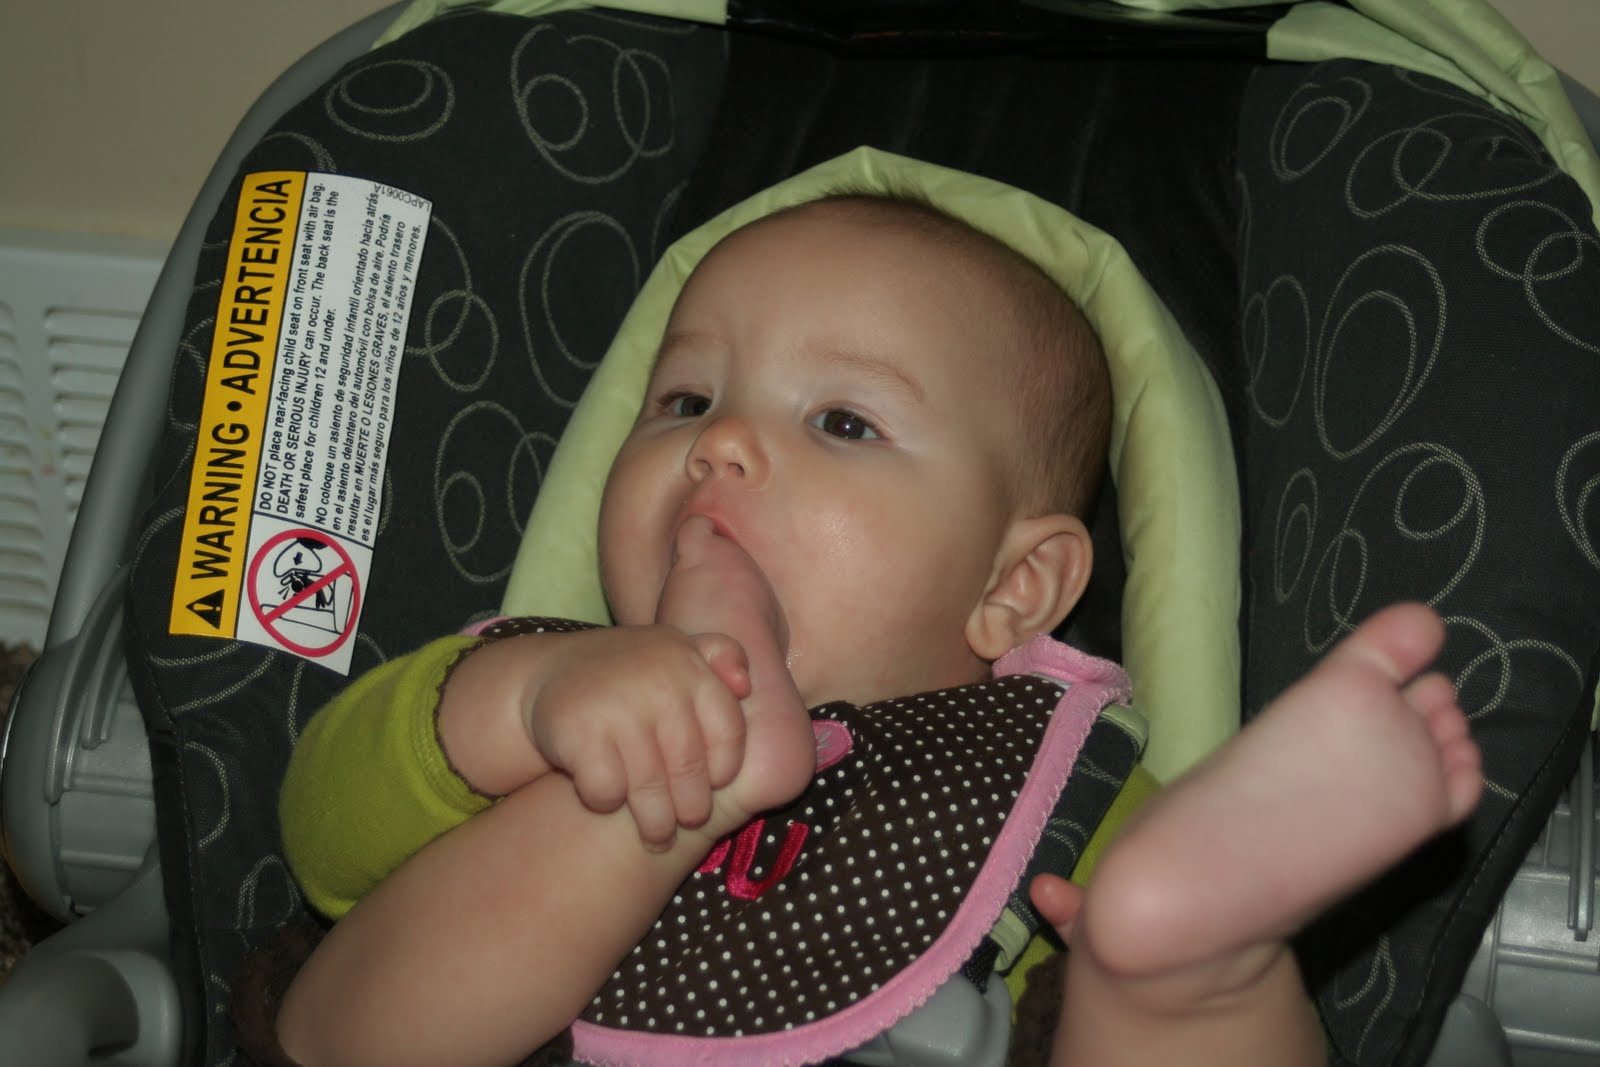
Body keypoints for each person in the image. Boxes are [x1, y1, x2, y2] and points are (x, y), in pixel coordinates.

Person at [268, 192, 1482, 1067]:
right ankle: (706, 771)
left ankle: (1198, 979)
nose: (717, 442)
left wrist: (1176, 964)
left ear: (1013, 586)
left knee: (1129, 989)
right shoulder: (545, 674)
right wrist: (522, 702)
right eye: (685, 398)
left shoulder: (1038, 775)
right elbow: (321, 838)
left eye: (842, 421)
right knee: (326, 1026)